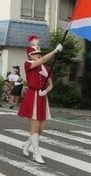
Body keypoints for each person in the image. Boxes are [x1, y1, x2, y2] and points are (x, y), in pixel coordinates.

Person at [18, 35, 63, 164]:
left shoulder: (46, 69)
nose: (38, 55)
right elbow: (43, 59)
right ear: (30, 55)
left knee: (41, 129)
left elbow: (51, 85)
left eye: (39, 53)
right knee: (35, 126)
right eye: (35, 53)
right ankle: (36, 154)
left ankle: (27, 144)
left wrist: (45, 91)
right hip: (32, 96)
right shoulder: (28, 64)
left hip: (43, 97)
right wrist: (55, 51)